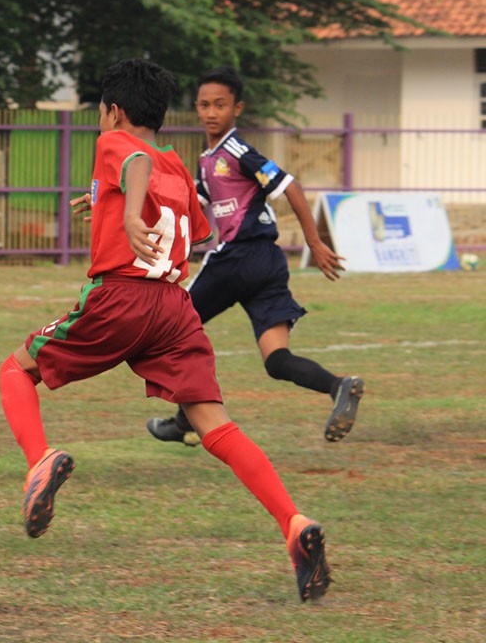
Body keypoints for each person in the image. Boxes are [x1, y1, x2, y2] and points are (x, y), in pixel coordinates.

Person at [0, 58, 331, 602]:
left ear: (114, 110)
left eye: (104, 114)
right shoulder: (177, 165)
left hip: (122, 297)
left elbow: (130, 162)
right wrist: (109, 203)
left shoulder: (118, 142)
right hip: (175, 310)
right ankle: (293, 524)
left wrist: (127, 213)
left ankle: (39, 461)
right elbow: (192, 223)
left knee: (15, 369)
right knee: (214, 425)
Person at [146, 66, 364, 448]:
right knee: (277, 361)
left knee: (173, 327)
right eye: (204, 105)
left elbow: (290, 185)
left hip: (239, 257)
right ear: (196, 108)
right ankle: (339, 386)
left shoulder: (237, 151)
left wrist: (314, 242)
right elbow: (189, 204)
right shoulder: (209, 158)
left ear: (237, 108)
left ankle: (185, 420)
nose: (211, 112)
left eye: (220, 105)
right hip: (267, 263)